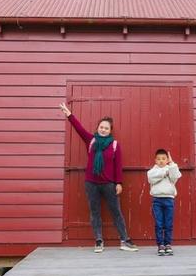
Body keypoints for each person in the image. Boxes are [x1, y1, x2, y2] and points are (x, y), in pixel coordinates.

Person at [59, 102, 138, 253]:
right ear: (98, 128)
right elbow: (79, 128)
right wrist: (69, 114)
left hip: (109, 184)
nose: (103, 129)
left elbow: (118, 166)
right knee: (94, 212)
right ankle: (99, 240)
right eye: (101, 127)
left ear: (110, 131)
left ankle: (124, 240)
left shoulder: (114, 145)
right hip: (92, 183)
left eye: (106, 128)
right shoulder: (91, 140)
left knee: (116, 212)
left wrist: (119, 183)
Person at [147, 149, 181, 256]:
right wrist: (164, 172)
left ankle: (168, 244)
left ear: (167, 160)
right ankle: (160, 245)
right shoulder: (152, 171)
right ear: (155, 160)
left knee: (168, 223)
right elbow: (152, 178)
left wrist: (171, 164)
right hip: (157, 200)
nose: (161, 161)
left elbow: (175, 176)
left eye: (163, 159)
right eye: (158, 159)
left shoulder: (171, 169)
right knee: (159, 223)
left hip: (169, 200)